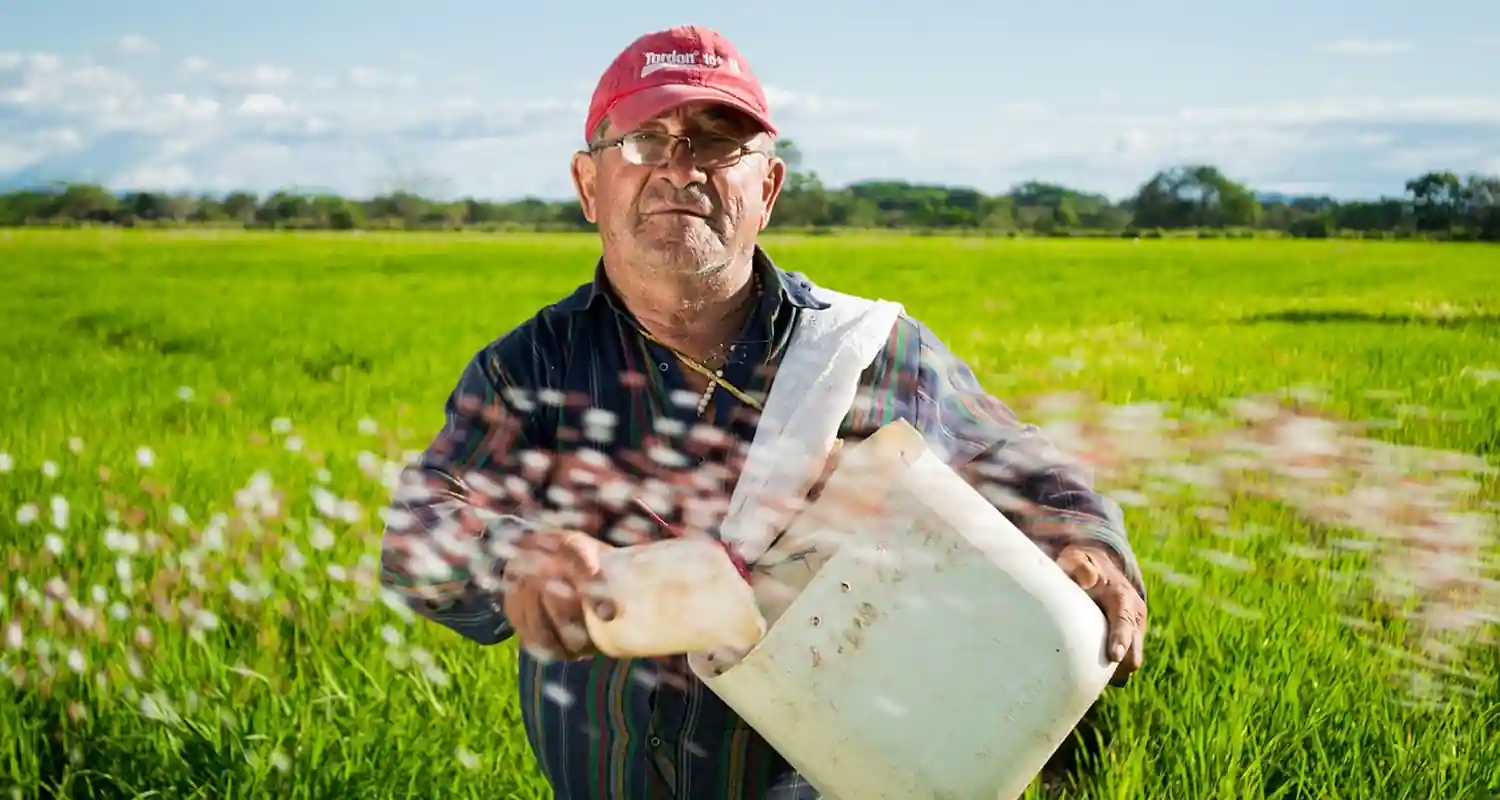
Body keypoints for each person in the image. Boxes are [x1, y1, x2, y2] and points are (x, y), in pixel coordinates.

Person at [379, 23, 1148, 800]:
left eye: (716, 144)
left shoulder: (860, 351)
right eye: (646, 140)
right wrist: (512, 559)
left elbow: (1016, 461)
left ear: (767, 190)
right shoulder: (531, 367)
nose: (681, 168)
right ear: (589, 185)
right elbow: (421, 528)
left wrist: (1085, 537)